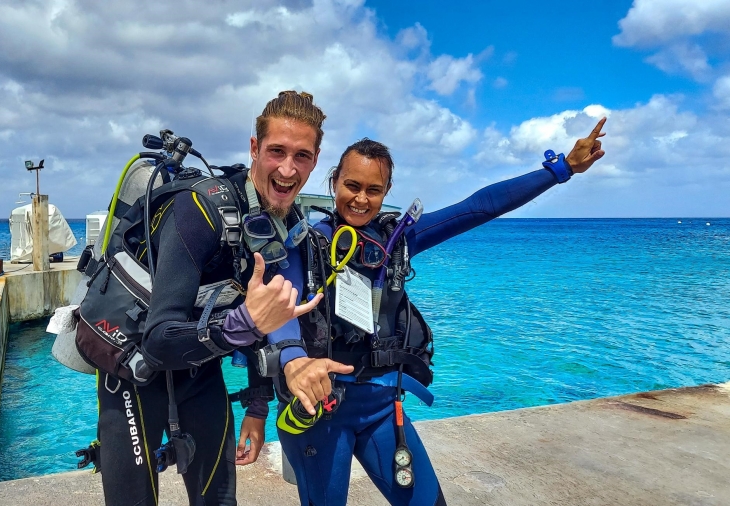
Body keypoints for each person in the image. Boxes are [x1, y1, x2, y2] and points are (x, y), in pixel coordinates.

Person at [266, 119, 607, 505]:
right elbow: (281, 309)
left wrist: (560, 170)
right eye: (352, 186)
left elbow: (478, 208)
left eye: (374, 190)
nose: (361, 199)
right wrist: (294, 360)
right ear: (334, 183)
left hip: (382, 407)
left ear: (387, 192)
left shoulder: (397, 240)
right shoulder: (305, 246)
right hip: (322, 411)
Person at [95, 91, 327, 506]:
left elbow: (263, 320)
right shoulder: (199, 211)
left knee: (219, 501)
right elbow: (159, 339)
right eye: (276, 151)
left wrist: (257, 408)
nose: (288, 169)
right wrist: (243, 324)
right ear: (254, 148)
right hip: (130, 371)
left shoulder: (282, 224)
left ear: (316, 158)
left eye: (303, 156)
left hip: (199, 370)